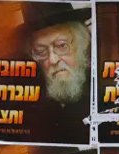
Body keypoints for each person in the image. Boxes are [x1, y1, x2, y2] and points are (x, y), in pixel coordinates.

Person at [19, 4, 92, 144]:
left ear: (81, 45)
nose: (52, 59)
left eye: (62, 46)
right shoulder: (31, 109)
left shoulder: (104, 100)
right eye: (41, 52)